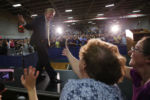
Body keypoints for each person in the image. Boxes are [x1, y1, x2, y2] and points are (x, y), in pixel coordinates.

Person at [21, 38, 126, 100]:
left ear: (84, 65)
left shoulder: (74, 90)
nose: (79, 61)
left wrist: (31, 89)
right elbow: (87, 75)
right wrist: (69, 54)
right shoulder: (115, 90)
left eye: (81, 58)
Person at [18, 8, 59, 84]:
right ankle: (53, 76)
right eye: (50, 14)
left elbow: (47, 31)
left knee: (41, 61)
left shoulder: (49, 21)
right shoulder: (38, 19)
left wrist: (50, 38)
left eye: (53, 15)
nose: (51, 16)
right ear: (45, 13)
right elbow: (30, 27)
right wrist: (24, 22)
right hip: (38, 42)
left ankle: (37, 75)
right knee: (46, 59)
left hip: (45, 42)